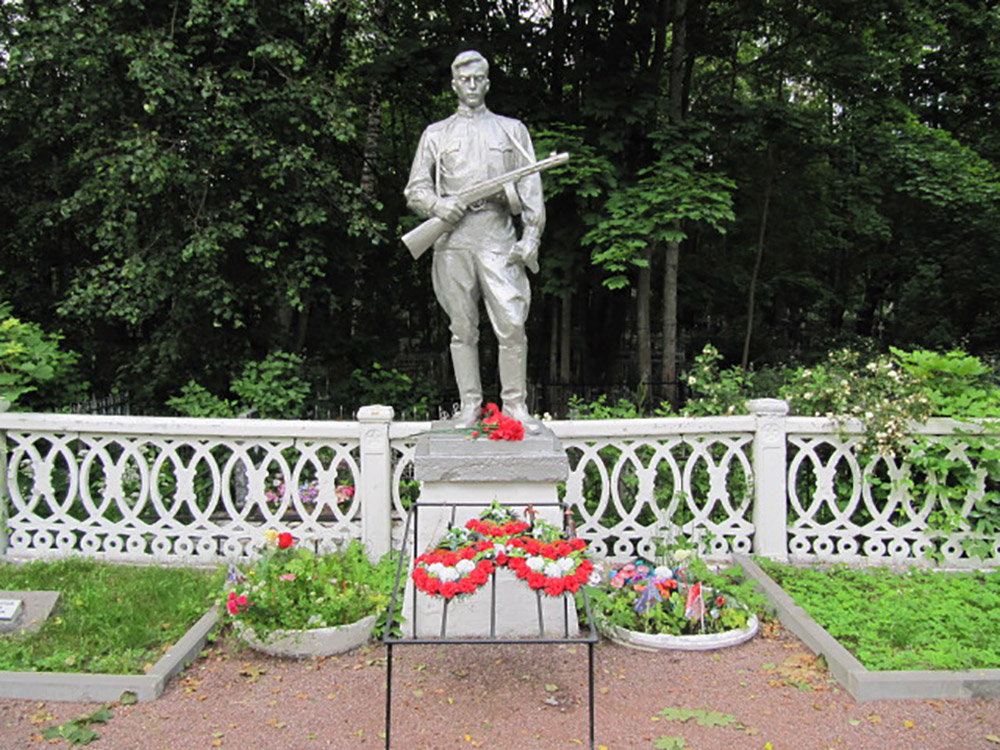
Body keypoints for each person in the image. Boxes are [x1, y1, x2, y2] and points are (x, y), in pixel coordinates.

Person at [405, 50, 545, 432]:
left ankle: (514, 407)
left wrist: (531, 236)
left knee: (512, 324)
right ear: (453, 84)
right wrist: (438, 205)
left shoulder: (511, 130)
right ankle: (470, 407)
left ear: (487, 82)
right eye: (463, 79)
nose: (471, 86)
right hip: (453, 240)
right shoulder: (437, 134)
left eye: (478, 79)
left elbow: (531, 186)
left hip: (499, 238)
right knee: (462, 328)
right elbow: (415, 189)